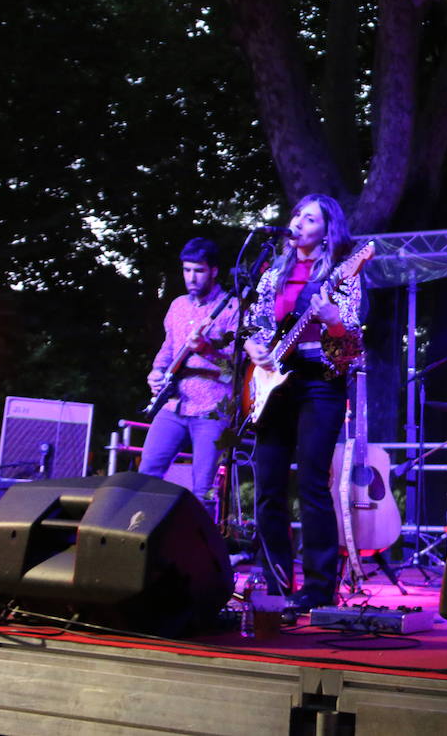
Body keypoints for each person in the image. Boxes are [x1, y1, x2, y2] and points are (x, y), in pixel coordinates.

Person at [243, 194, 363, 611]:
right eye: (296, 214)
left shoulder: (343, 274)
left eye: (308, 218)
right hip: (274, 382)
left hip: (320, 383)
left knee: (312, 484)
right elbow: (254, 320)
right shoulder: (273, 271)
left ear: (326, 229)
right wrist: (254, 346)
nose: (297, 222)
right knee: (268, 483)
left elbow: (350, 344)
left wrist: (331, 318)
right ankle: (276, 583)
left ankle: (317, 589)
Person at [139, 237, 238, 502]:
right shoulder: (178, 306)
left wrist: (206, 349)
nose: (191, 277)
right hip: (174, 404)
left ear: (214, 271)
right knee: (146, 474)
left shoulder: (232, 308)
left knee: (202, 489)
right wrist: (156, 372)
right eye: (187, 270)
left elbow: (236, 369)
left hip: (212, 407)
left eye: (199, 270)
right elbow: (168, 348)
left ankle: (202, 544)